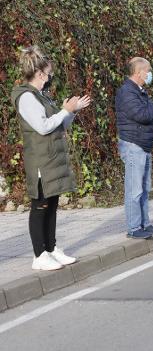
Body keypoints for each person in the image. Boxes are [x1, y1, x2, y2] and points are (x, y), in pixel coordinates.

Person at [10, 46, 91, 271]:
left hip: (51, 159)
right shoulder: (26, 97)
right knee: (40, 206)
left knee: (52, 204)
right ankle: (39, 254)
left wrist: (72, 110)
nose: (50, 76)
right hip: (40, 162)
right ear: (40, 74)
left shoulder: (41, 96)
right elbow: (43, 127)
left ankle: (51, 248)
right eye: (49, 72)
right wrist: (65, 110)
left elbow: (60, 123)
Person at [115, 57, 153, 239]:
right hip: (134, 144)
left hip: (143, 144)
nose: (150, 74)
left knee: (144, 188)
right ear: (138, 72)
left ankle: (144, 223)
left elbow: (152, 116)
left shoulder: (140, 91)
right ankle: (134, 228)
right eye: (148, 71)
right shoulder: (127, 92)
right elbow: (142, 115)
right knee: (134, 190)